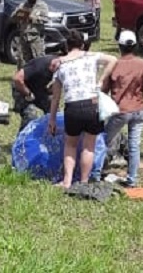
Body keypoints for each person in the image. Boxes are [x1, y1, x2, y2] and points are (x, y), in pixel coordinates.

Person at [48, 30, 118, 189]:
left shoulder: (61, 64)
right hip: (92, 104)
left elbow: (56, 97)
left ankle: (67, 181)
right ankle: (84, 181)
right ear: (82, 44)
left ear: (67, 45)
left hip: (72, 107)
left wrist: (52, 119)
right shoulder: (90, 57)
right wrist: (101, 80)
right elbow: (113, 59)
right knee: (88, 146)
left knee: (70, 145)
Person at [102, 30, 143, 187]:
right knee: (134, 145)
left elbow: (104, 90)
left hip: (120, 111)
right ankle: (132, 179)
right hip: (139, 110)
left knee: (104, 142)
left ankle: (96, 171)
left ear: (119, 46)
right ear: (134, 46)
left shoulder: (115, 65)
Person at [13, 55, 60, 131]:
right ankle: (22, 139)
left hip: (38, 88)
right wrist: (28, 93)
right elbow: (17, 79)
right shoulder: (39, 66)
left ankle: (51, 135)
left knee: (54, 110)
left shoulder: (61, 68)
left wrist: (50, 90)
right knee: (31, 114)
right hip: (22, 88)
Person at [10, 0, 49, 68]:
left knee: (38, 57)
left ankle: (39, 76)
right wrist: (18, 15)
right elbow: (13, 18)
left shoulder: (42, 6)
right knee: (22, 59)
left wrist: (34, 18)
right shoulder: (23, 5)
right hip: (23, 35)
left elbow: (46, 19)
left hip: (35, 36)